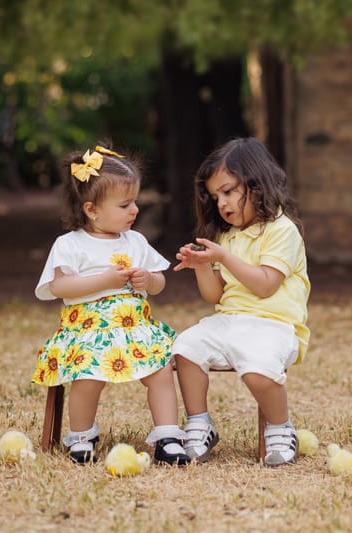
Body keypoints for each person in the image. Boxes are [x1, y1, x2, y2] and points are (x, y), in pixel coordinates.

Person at [32, 144, 190, 466]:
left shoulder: (135, 242)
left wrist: (148, 280)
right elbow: (59, 286)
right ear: (92, 209)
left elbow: (160, 282)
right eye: (125, 204)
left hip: (135, 327)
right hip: (89, 329)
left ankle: (168, 435)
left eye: (135, 202)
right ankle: (81, 436)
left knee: (160, 371)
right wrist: (104, 281)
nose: (134, 210)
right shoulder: (71, 244)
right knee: (87, 376)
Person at [172, 137, 311, 467]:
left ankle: (280, 428)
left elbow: (265, 285)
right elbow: (216, 296)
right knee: (185, 348)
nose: (222, 202)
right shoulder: (227, 235)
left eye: (229, 190)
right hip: (230, 321)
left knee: (257, 372)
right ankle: (199, 423)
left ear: (257, 183)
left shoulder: (281, 230)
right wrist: (204, 265)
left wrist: (224, 257)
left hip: (274, 326)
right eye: (216, 196)